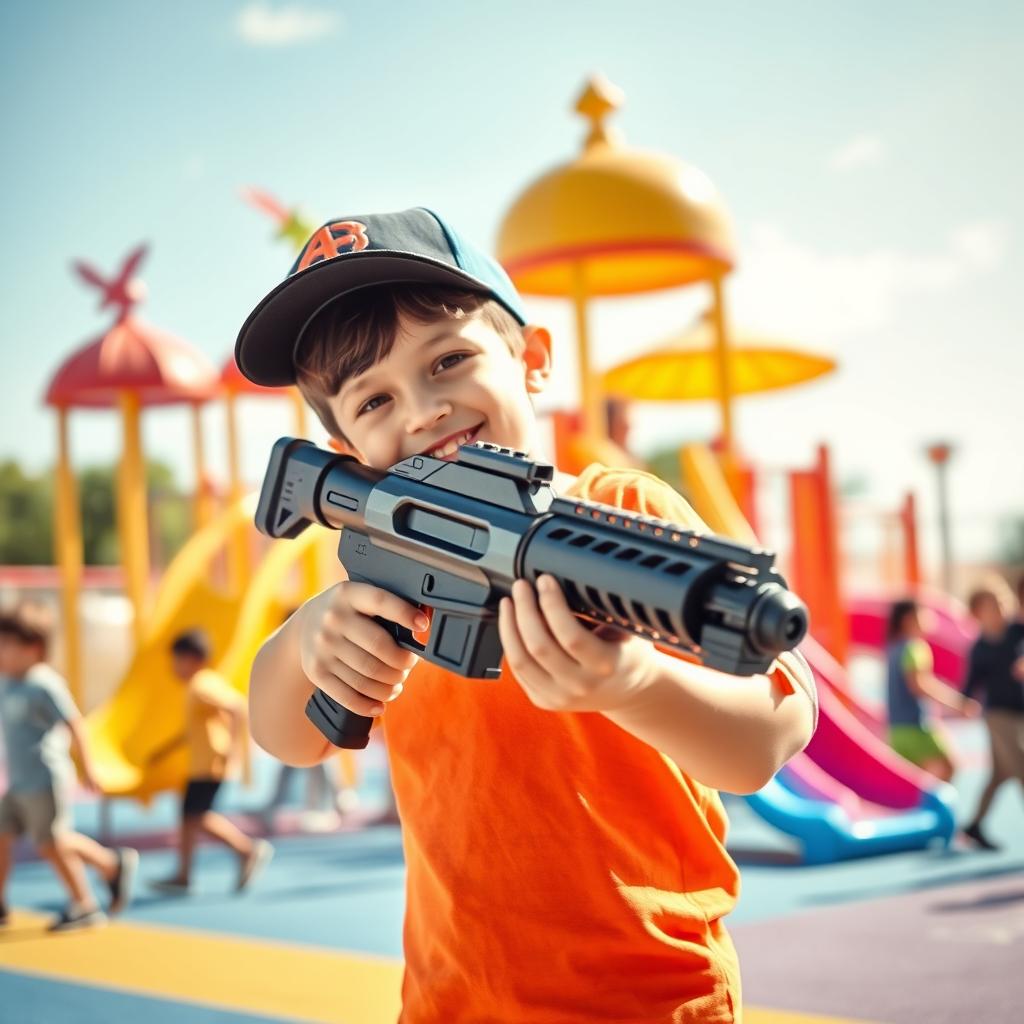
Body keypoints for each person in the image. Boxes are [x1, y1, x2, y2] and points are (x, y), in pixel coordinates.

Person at [235, 209, 817, 1021]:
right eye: (372, 402)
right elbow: (285, 736)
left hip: (649, 1001)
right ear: (343, 451)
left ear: (532, 360)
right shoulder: (380, 565)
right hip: (447, 1003)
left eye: (449, 359)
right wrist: (309, 642)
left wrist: (630, 682)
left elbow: (768, 736)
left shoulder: (623, 512)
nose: (424, 409)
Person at [0, 603, 138, 931]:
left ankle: (88, 900)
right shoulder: (9, 681)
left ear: (32, 649)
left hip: (44, 778)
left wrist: (87, 767)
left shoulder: (43, 683)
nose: (1, 653)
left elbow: (75, 723)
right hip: (18, 782)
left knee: (52, 843)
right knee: (2, 837)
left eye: (6, 646)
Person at [149, 630, 272, 893]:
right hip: (203, 764)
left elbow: (237, 707)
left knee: (197, 816)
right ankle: (183, 874)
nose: (174, 667)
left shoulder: (201, 683)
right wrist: (164, 750)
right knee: (188, 817)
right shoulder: (200, 685)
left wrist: (231, 748)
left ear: (192, 659)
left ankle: (246, 850)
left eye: (176, 660)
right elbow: (193, 730)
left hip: (211, 764)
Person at [885, 598, 980, 781]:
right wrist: (958, 703)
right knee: (951, 765)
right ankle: (939, 806)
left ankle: (926, 803)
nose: (930, 617)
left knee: (915, 781)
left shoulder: (893, 648)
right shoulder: (915, 647)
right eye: (923, 612)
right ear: (908, 619)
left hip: (896, 731)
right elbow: (920, 685)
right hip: (917, 727)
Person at [959, 586, 1024, 851]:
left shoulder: (1017, 632)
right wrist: (964, 702)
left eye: (1001, 602)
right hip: (998, 715)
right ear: (978, 614)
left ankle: (975, 824)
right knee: (1020, 765)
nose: (999, 609)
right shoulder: (980, 648)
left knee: (1001, 773)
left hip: (1019, 711)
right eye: (991, 605)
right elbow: (971, 682)